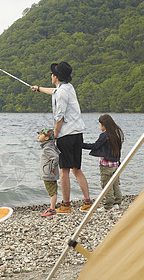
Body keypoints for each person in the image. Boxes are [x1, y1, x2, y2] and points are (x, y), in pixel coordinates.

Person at [30, 61, 92, 213]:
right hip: (78, 134)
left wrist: (55, 133)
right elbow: (53, 91)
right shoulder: (67, 88)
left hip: (67, 135)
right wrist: (38, 89)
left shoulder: (62, 92)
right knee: (77, 169)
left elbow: (60, 116)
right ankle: (87, 202)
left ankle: (66, 205)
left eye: (52, 74)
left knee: (64, 170)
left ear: (56, 77)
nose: (51, 76)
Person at [83, 114, 124, 211]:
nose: (100, 127)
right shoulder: (117, 133)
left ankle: (108, 206)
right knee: (115, 184)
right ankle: (117, 203)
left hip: (106, 165)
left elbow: (95, 146)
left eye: (100, 125)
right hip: (116, 164)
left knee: (106, 185)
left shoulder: (105, 135)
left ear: (104, 125)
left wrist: (81, 145)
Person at [37, 128, 60, 217]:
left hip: (48, 173)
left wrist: (52, 168)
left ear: (46, 138)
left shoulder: (47, 148)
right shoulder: (51, 145)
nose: (38, 136)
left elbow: (56, 157)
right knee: (53, 191)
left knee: (52, 192)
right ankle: (52, 207)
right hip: (50, 173)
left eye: (40, 134)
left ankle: (52, 209)